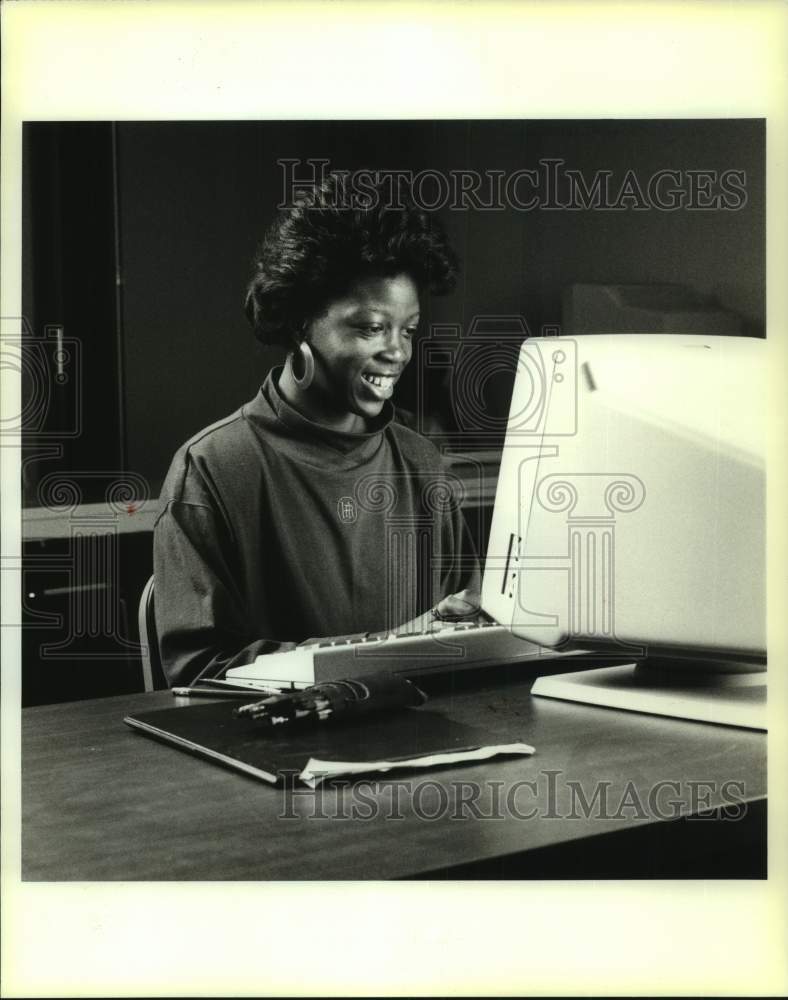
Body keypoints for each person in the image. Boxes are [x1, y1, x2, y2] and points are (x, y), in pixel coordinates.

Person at [154, 173, 480, 687]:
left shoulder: (421, 462)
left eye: (408, 330)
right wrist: (384, 652)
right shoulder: (213, 468)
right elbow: (198, 672)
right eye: (370, 327)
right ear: (300, 323)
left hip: (424, 740)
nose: (397, 351)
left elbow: (465, 632)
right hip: (278, 751)